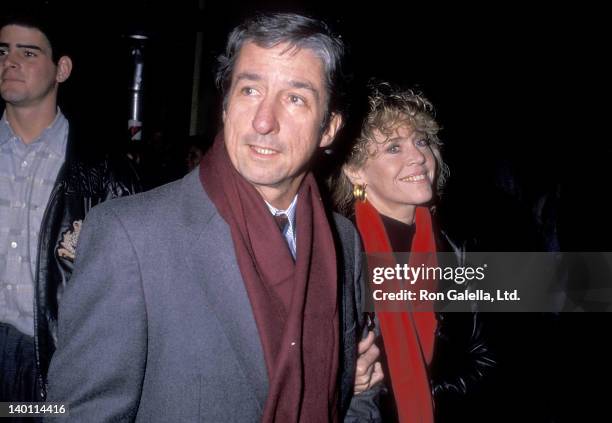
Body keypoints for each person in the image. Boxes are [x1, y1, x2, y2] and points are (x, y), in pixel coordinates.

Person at [47, 13, 380, 421]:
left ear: (328, 128)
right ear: (225, 106)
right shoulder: (130, 236)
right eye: (250, 90)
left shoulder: (343, 242)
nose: (264, 121)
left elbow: (356, 390)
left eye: (295, 98)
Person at [331, 80, 494, 422]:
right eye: (394, 148)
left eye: (422, 141)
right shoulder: (334, 251)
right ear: (356, 170)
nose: (420, 156)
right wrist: (347, 379)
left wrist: (417, 395)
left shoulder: (457, 247)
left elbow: (485, 359)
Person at [0, 10, 139, 403]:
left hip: (56, 360)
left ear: (61, 69)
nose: (10, 61)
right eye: (3, 50)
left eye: (28, 53)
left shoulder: (104, 170)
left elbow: (127, 292)